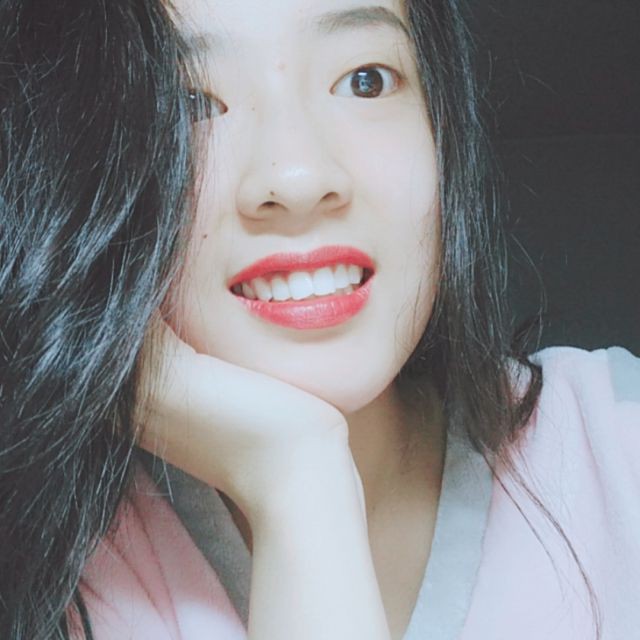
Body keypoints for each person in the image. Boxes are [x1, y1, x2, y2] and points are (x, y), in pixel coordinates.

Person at [0, 0, 638, 639]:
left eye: (366, 81)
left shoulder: (616, 443)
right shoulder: (43, 557)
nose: (297, 178)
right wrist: (297, 480)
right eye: (187, 104)